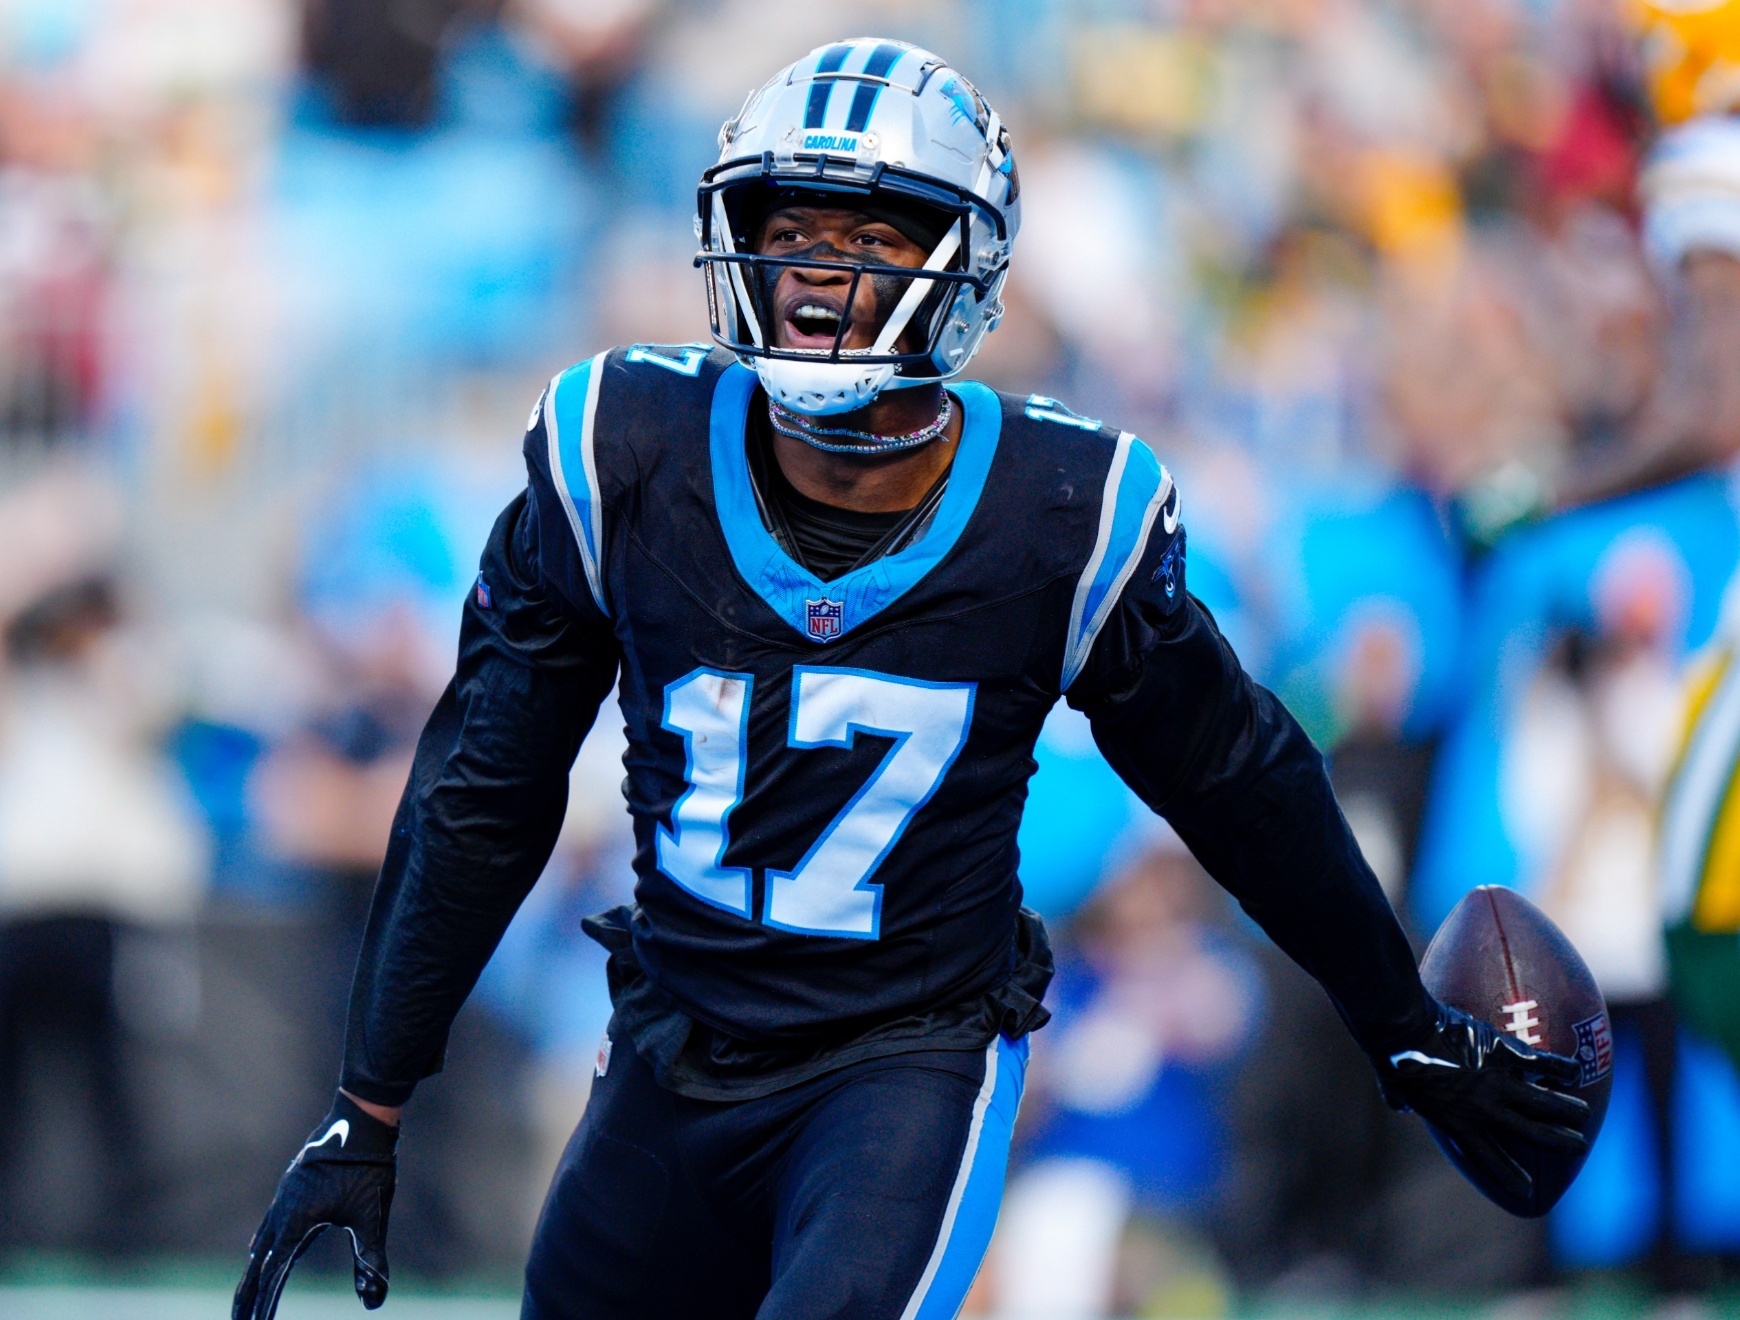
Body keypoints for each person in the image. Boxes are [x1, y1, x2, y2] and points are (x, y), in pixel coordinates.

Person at [232, 41, 1589, 1320]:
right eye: (789, 232)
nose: (818, 275)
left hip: (901, 1066)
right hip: (668, 1047)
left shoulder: (1063, 510)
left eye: (871, 238)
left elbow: (1240, 785)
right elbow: (487, 782)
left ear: (965, 267)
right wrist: (372, 1098)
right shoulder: (627, 447)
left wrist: (1400, 1022)